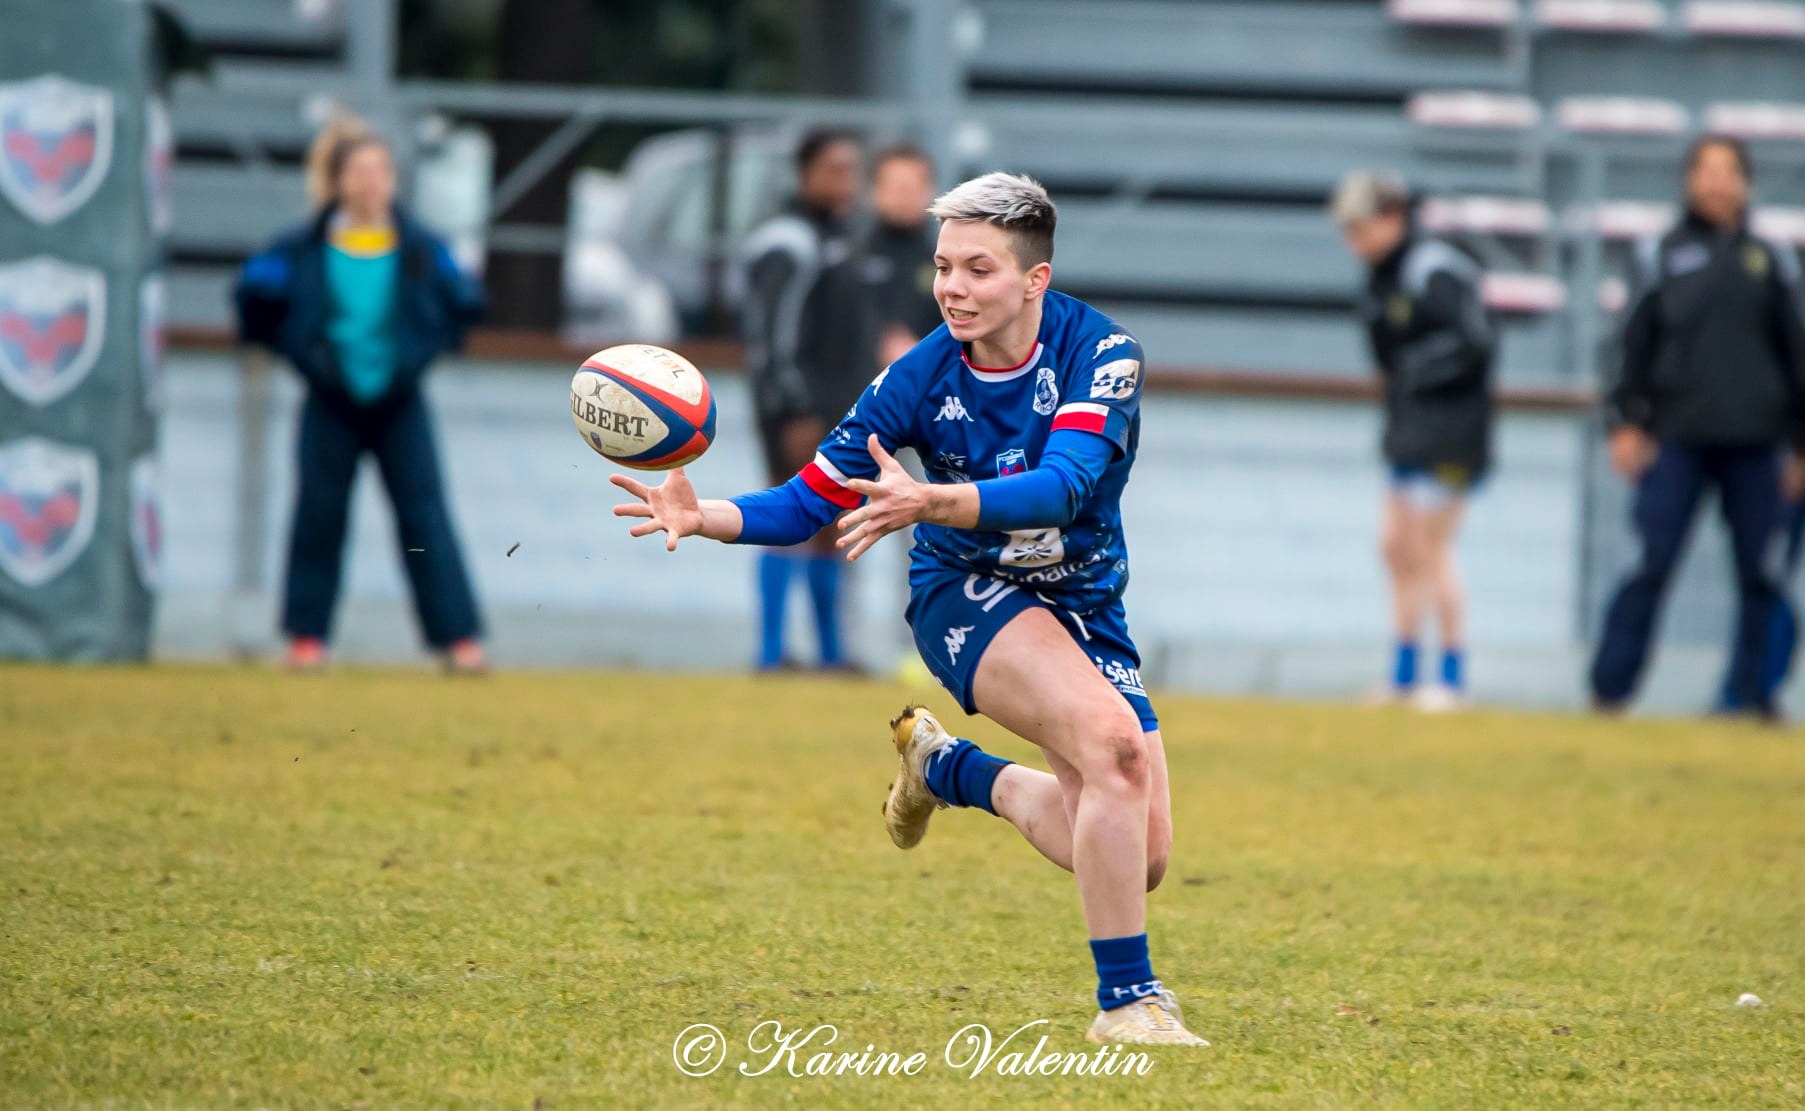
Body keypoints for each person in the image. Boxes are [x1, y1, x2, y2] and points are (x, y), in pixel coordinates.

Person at [612, 172, 1208, 1047]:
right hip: (964, 597)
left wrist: (931, 498)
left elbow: (1064, 486)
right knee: (1115, 749)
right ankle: (1127, 1004)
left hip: (1082, 600)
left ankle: (950, 771)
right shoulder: (914, 378)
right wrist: (705, 517)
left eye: (979, 269)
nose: (953, 289)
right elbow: (810, 497)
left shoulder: (1102, 352)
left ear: (1035, 281)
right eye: (942, 267)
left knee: (1140, 850)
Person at [235, 115, 488, 673]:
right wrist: (301, 355)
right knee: (318, 517)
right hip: (329, 400)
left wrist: (423, 354)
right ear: (337, 180)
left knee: (425, 519)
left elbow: (465, 300)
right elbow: (255, 297)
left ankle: (459, 639)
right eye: (360, 172)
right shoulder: (302, 247)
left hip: (400, 400)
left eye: (381, 171)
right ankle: (307, 638)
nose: (372, 182)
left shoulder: (421, 246)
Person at [1592, 134, 1805, 719]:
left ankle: (1751, 696)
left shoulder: (1774, 258)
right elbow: (1626, 347)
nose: (1715, 181)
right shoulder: (1657, 254)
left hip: (1759, 446)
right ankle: (1610, 691)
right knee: (1647, 563)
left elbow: (1799, 354)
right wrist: (1623, 422)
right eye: (1704, 170)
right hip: (1675, 440)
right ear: (1688, 180)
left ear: (1745, 182)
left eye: (1727, 170)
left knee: (1764, 576)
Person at [1331, 170, 1496, 710]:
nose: (1353, 239)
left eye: (1362, 226)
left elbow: (1475, 342)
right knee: (1397, 547)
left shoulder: (1434, 268)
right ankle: (1403, 674)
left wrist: (1415, 372)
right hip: (1409, 427)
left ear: (1393, 219)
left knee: (1432, 550)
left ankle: (1449, 677)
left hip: (1450, 431)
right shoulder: (1383, 276)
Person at [738, 129, 868, 673]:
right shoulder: (787, 240)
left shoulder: (840, 238)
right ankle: (770, 652)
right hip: (798, 409)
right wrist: (792, 408)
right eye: (834, 169)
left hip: (838, 407)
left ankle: (831, 654)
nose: (847, 182)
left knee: (832, 526)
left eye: (853, 170)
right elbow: (771, 337)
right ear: (805, 174)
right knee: (789, 517)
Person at [860, 144, 943, 369]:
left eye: (914, 187)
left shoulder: (949, 262)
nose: (905, 197)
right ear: (874, 190)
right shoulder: (844, 259)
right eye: (897, 187)